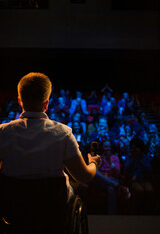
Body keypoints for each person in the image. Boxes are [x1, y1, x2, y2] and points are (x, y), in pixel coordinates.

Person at [0, 72, 101, 202]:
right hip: (53, 211)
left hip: (12, 211)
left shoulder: (3, 132)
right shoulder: (63, 133)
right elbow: (83, 176)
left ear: (20, 101)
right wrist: (93, 162)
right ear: (46, 104)